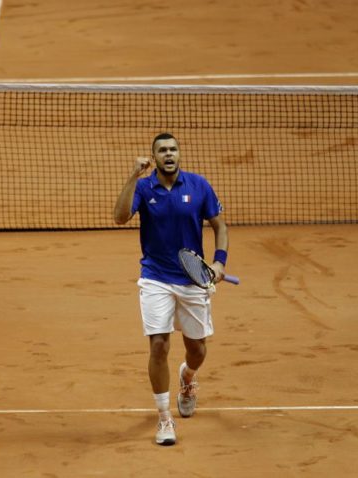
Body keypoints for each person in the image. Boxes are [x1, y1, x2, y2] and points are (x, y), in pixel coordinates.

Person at [113, 132, 230, 446]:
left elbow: (219, 225)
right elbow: (120, 217)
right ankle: (165, 418)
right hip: (155, 277)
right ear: (154, 157)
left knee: (198, 350)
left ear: (179, 154)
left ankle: (187, 377)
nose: (169, 154)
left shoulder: (198, 185)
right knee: (159, 346)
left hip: (192, 279)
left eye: (173, 149)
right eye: (163, 150)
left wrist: (219, 262)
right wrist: (133, 176)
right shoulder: (143, 187)